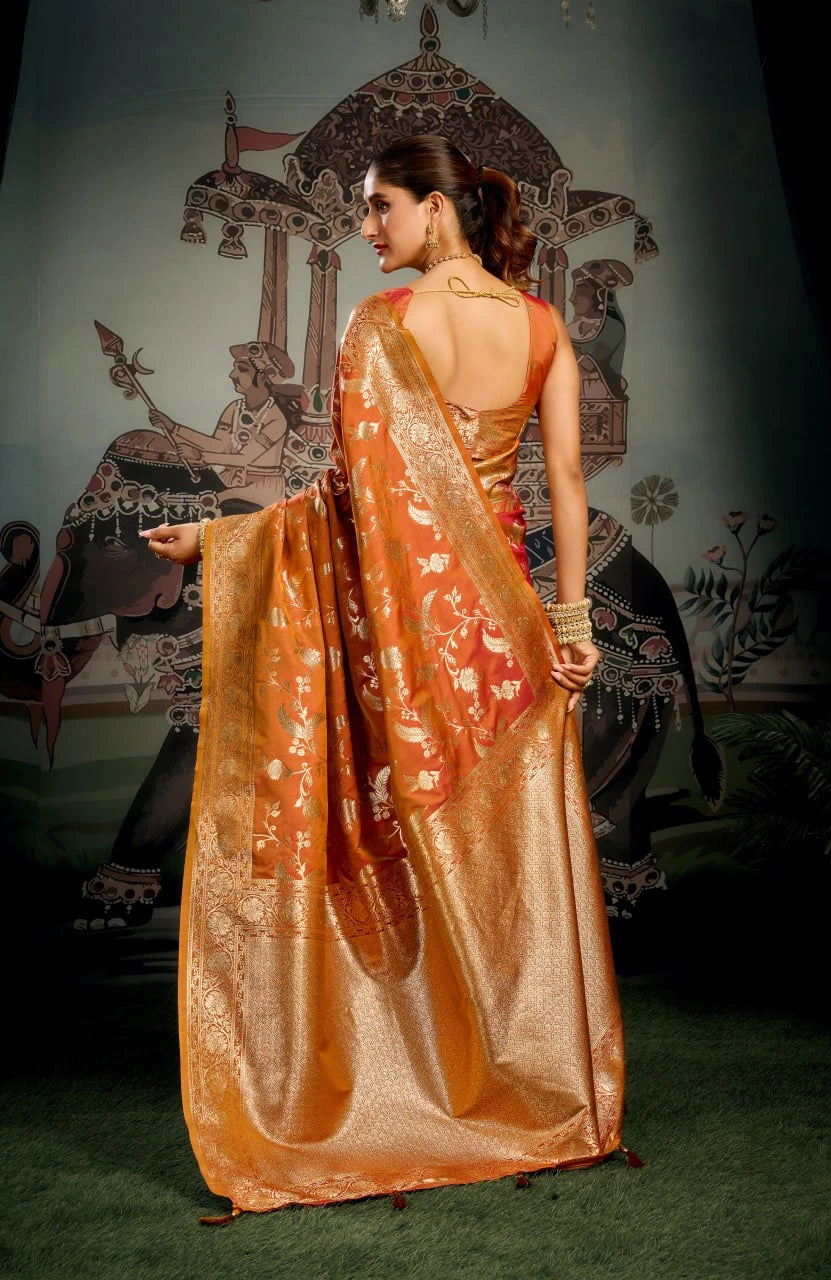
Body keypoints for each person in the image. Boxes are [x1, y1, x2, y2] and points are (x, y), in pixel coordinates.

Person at [141, 134, 625, 1217]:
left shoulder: (384, 329)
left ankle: (415, 1082)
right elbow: (563, 487)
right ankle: (521, 1082)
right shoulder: (542, 328)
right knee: (493, 858)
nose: (366, 232)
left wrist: (226, 542)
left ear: (436, 212)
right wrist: (571, 621)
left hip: (407, 638)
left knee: (415, 846)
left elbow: (347, 504)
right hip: (503, 635)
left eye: (378, 209)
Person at [147, 341, 300, 508]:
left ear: (264, 377)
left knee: (208, 504)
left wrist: (201, 456)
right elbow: (218, 445)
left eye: (242, 369)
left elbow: (244, 459)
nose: (232, 374)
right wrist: (173, 427)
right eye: (235, 367)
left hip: (260, 492)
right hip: (230, 483)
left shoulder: (276, 418)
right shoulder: (235, 408)